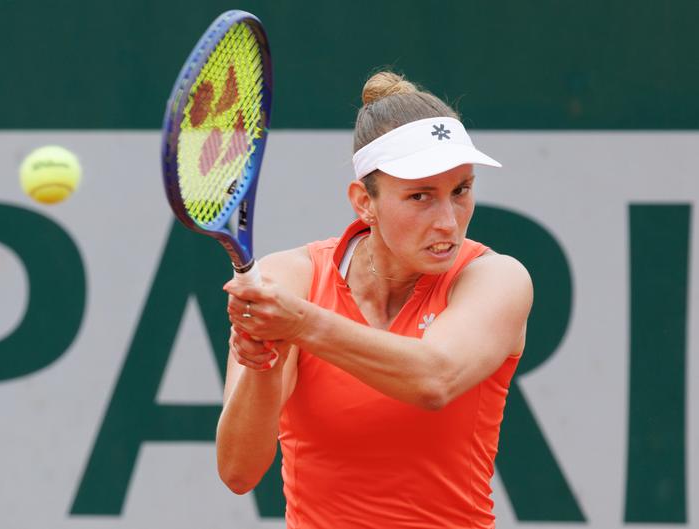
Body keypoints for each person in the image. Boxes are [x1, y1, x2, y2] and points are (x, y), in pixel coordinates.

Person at [216, 71, 533, 529]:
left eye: (461, 190)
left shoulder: (495, 278)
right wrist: (265, 360)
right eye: (420, 196)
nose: (448, 221)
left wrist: (300, 325)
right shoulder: (293, 278)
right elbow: (238, 472)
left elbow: (434, 378)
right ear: (364, 202)